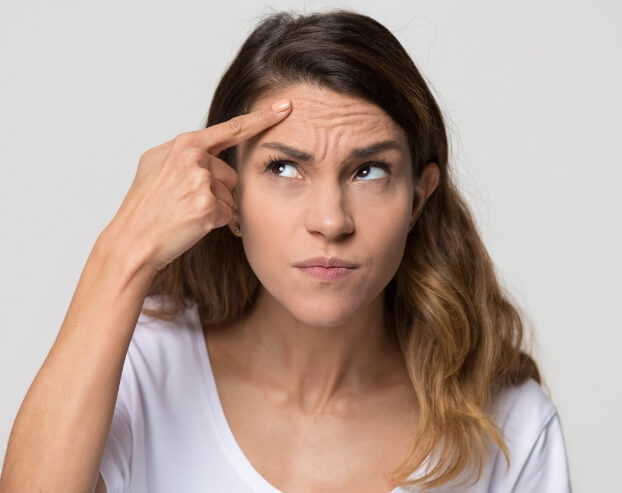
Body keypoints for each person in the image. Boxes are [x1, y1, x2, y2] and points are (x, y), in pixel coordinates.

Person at [0, 9, 571, 493]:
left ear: (418, 199)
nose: (330, 221)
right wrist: (123, 251)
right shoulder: (141, 369)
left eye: (368, 170)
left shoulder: (510, 426)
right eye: (284, 167)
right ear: (228, 191)